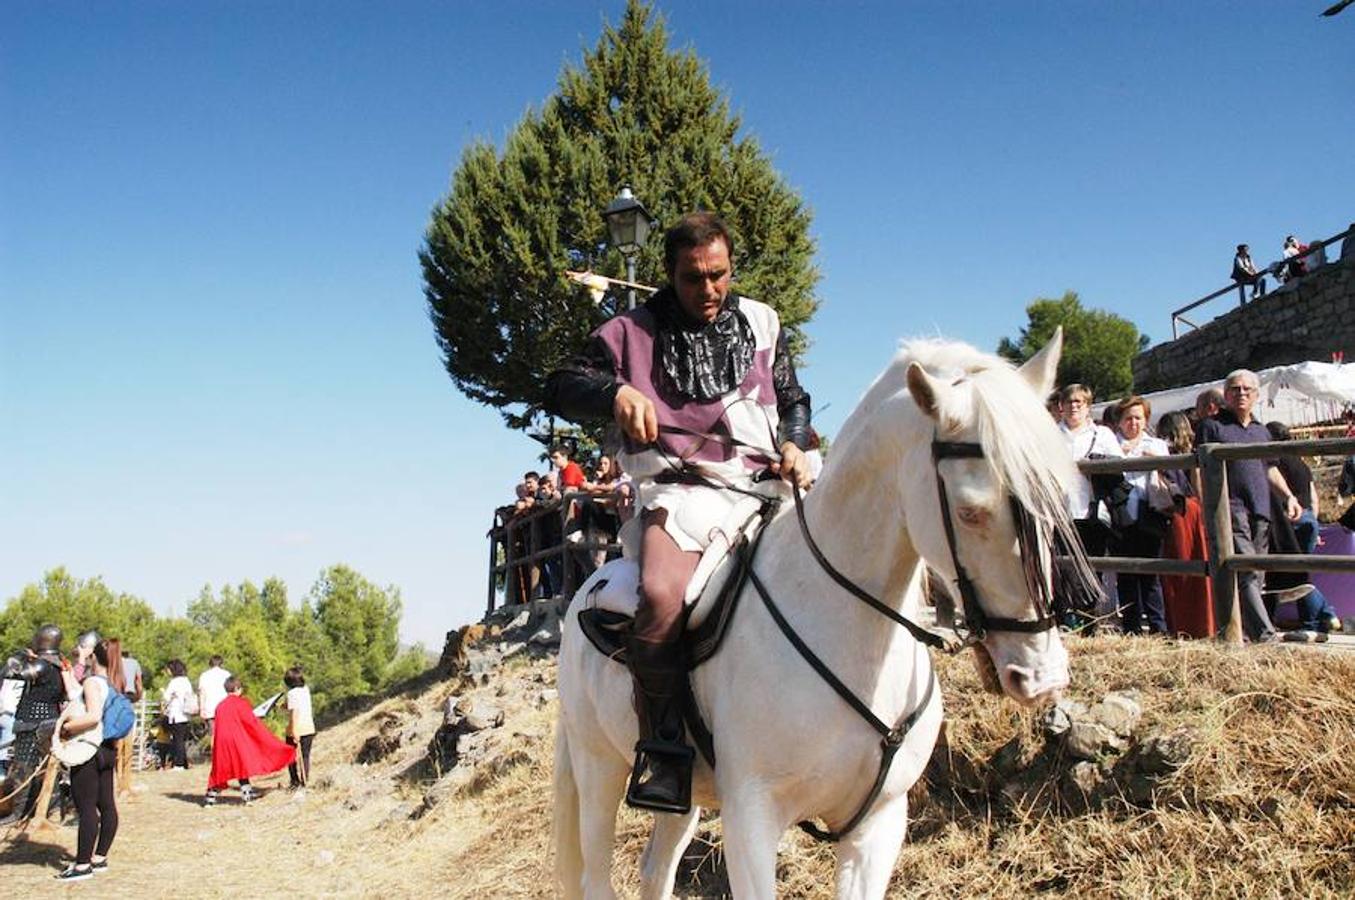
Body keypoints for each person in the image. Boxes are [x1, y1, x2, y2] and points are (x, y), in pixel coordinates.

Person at [546, 211, 813, 813]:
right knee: (663, 596)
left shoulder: (764, 322)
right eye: (694, 279)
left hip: (764, 490)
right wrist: (614, 393)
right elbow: (559, 383)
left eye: (718, 275)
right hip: (679, 496)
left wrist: (795, 439)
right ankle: (664, 748)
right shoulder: (628, 332)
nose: (709, 290)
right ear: (670, 274)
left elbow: (794, 398)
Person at [1197, 370, 1304, 642]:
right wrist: (1206, 504)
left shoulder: (1261, 431)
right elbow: (1199, 471)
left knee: (1256, 573)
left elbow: (1270, 469)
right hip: (1230, 508)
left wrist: (1289, 496)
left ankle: (1242, 631)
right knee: (1245, 570)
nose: (1241, 393)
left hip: (1261, 509)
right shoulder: (1212, 426)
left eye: (1247, 389)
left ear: (1256, 394)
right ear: (1225, 394)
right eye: (1234, 388)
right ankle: (1265, 635)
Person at [54, 639, 120, 881]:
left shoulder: (93, 682)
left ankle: (82, 866)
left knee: (87, 808)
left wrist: (66, 728)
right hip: (108, 749)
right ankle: (99, 857)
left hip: (88, 749)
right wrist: (70, 671)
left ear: (94, 657)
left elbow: (91, 717)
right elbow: (76, 695)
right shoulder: (113, 683)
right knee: (107, 805)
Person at [1111, 396, 1170, 635]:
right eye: (1128, 418)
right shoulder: (1111, 444)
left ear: (1145, 420)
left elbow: (1170, 471)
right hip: (1120, 513)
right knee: (1125, 575)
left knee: (1150, 573)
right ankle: (1131, 627)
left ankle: (1158, 627)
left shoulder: (1156, 444)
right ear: (1120, 422)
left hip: (1149, 513)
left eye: (1138, 418)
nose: (1133, 423)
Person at [1156, 411, 1215, 638]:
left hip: (1179, 513)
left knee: (1177, 572)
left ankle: (1181, 624)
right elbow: (1199, 489)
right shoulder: (1193, 454)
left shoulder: (1162, 455)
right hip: (1194, 511)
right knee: (1198, 570)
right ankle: (1203, 624)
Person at [0, 625, 66, 824]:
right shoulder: (59, 665)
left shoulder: (43, 665)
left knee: (24, 768)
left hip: (33, 723)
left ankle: (19, 813)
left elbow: (11, 673)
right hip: (50, 720)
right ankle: (50, 811)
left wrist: (19, 657)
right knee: (48, 769)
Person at [204, 676, 295, 806]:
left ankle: (210, 798)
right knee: (241, 765)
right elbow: (250, 722)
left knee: (221, 768)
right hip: (236, 739)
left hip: (222, 740)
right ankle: (247, 796)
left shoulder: (220, 705)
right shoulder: (241, 703)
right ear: (236, 688)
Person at [281, 667, 315, 789]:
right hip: (309, 727)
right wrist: (285, 705)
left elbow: (295, 712)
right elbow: (295, 705)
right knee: (305, 756)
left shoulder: (291, 693)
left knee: (290, 756)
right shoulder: (305, 690)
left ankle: (295, 781)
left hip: (296, 729)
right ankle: (305, 781)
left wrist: (294, 731)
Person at [161, 659, 194, 770]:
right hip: (186, 714)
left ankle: (179, 764)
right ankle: (184, 763)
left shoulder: (174, 682)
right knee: (182, 740)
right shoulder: (186, 681)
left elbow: (166, 696)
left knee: (177, 740)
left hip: (176, 714)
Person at [197, 655, 231, 737]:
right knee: (225, 734)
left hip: (210, 709)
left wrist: (202, 709)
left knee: (213, 735)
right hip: (225, 709)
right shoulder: (227, 674)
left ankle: (214, 749)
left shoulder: (204, 675)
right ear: (221, 663)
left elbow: (202, 693)